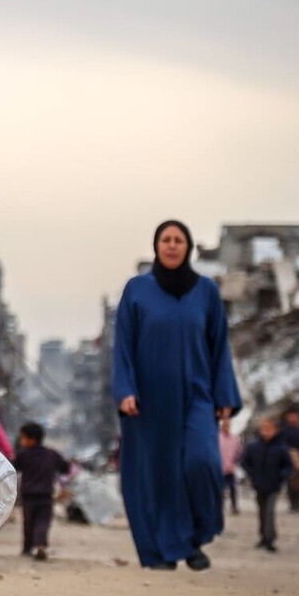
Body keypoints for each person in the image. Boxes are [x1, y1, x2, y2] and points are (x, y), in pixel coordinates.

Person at [111, 219, 243, 571]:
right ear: (157, 246)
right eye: (165, 240)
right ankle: (167, 549)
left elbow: (220, 347)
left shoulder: (206, 292)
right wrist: (125, 390)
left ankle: (195, 536)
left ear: (188, 247)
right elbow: (122, 344)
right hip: (148, 402)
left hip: (197, 396)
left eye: (178, 240)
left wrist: (224, 398)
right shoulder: (137, 290)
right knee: (158, 476)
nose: (171, 245)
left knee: (203, 464)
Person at [11, 422, 72, 561]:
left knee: (28, 523)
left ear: (31, 439)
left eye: (23, 438)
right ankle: (40, 545)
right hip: (46, 496)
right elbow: (65, 467)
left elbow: (12, 467)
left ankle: (27, 548)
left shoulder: (23, 455)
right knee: (42, 522)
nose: (21, 441)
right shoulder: (51, 454)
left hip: (28, 497)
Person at [240, 417, 293, 552]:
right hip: (258, 485)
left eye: (269, 429)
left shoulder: (281, 448)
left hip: (274, 485)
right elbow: (245, 462)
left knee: (270, 512)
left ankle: (270, 539)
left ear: (276, 430)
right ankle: (263, 536)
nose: (266, 432)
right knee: (262, 512)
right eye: (264, 428)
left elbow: (288, 466)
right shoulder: (253, 446)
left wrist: (281, 475)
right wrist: (252, 474)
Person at [218, 416, 242, 515]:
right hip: (219, 468)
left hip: (230, 468)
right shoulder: (216, 437)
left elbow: (239, 453)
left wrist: (234, 464)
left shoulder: (235, 438)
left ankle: (234, 506)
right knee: (220, 489)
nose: (226, 426)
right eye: (224, 424)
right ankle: (219, 507)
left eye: (228, 424)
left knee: (233, 488)